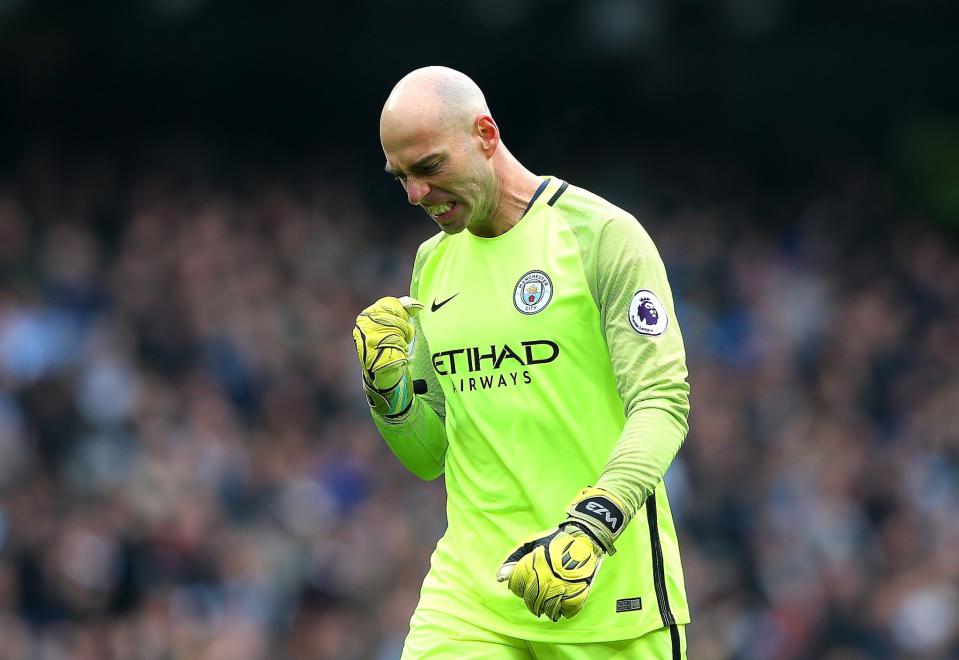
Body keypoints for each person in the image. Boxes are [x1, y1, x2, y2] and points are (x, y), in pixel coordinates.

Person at [353, 66, 691, 659]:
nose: (415, 195)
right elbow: (430, 455)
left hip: (604, 595)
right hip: (470, 601)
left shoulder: (602, 236)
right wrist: (388, 391)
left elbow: (663, 402)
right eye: (400, 177)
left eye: (429, 168)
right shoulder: (432, 263)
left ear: (486, 135)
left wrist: (593, 525)